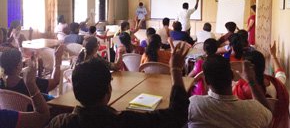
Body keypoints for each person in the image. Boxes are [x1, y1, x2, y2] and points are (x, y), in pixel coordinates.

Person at [47, 42, 190, 128]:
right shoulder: (126, 122)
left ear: (75, 91)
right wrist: (175, 70)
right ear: (108, 91)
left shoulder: (60, 123)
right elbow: (177, 115)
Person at [188, 55, 272, 128]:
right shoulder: (255, 110)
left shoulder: (194, 105)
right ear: (232, 76)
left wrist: (175, 70)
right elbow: (269, 115)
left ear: (206, 81)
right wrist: (251, 81)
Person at [233, 42, 290, 128]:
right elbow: (281, 74)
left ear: (244, 68)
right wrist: (273, 55)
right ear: (263, 67)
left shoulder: (240, 90)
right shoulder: (276, 85)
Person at [0, 45, 64, 100]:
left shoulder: (1, 84)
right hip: (35, 113)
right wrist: (57, 59)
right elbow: (55, 81)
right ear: (18, 66)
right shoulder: (30, 83)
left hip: (13, 113)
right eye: (21, 60)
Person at [0, 58, 50, 128]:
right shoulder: (3, 116)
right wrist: (31, 83)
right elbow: (43, 117)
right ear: (18, 65)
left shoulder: (1, 84)